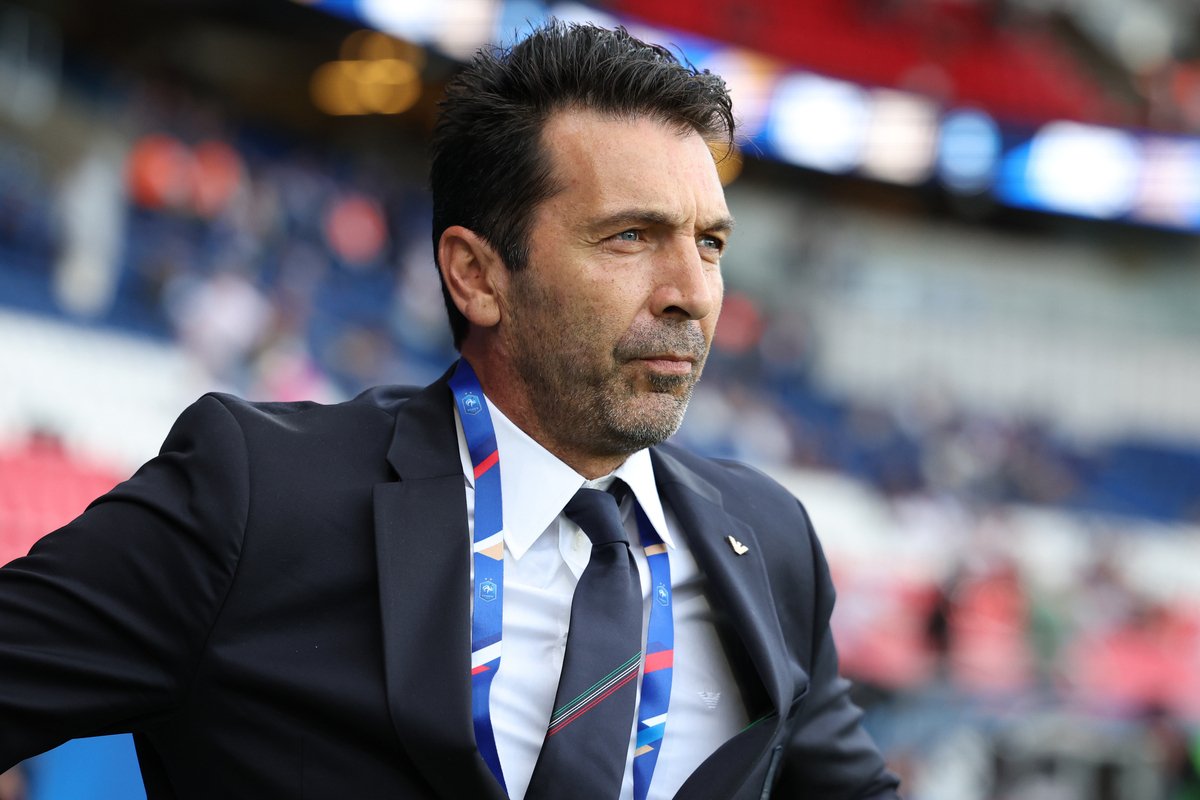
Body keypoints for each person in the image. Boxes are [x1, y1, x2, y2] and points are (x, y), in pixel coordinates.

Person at [0, 21, 901, 800]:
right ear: (476, 275)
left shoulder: (769, 539)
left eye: (708, 243)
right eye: (630, 236)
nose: (692, 293)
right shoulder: (256, 499)